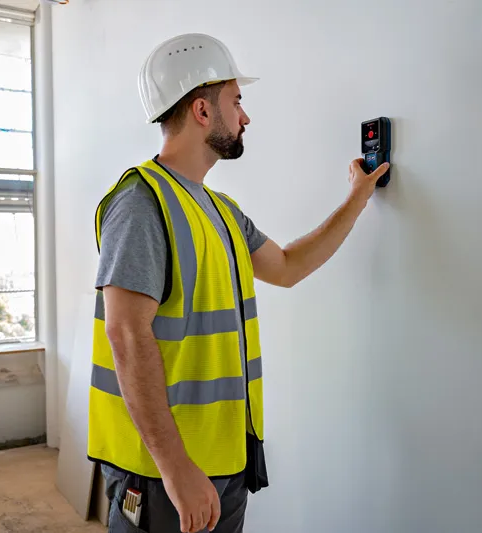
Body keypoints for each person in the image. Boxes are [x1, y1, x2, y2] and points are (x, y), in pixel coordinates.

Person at [87, 33, 390, 533]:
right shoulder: (141, 203)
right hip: (163, 469)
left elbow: (289, 267)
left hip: (223, 459)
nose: (245, 116)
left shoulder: (222, 212)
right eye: (237, 100)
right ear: (203, 111)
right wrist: (177, 468)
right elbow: (126, 335)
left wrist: (358, 197)